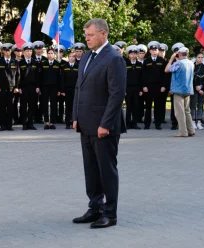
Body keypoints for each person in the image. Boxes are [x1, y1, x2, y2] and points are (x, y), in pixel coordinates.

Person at [72, 18, 126, 229]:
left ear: (103, 34)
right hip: (85, 124)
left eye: (91, 35)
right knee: (91, 169)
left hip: (104, 126)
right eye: (86, 35)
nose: (87, 38)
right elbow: (79, 88)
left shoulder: (114, 58)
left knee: (106, 170)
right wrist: (75, 116)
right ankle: (95, 208)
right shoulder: (86, 57)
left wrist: (105, 123)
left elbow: (116, 94)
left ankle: (109, 213)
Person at [165, 47, 195, 137]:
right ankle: (191, 130)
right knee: (187, 111)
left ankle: (183, 132)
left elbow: (167, 70)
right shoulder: (191, 63)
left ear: (180, 54)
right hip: (188, 89)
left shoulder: (178, 63)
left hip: (178, 90)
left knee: (179, 112)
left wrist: (171, 59)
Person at [142, 41, 168, 130]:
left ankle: (158, 123)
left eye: (155, 50)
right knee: (148, 106)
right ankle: (147, 124)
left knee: (158, 106)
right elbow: (143, 75)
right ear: (150, 51)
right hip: (148, 87)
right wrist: (144, 86)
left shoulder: (162, 61)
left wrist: (164, 86)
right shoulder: (146, 61)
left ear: (158, 51)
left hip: (159, 87)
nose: (154, 51)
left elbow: (165, 75)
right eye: (152, 50)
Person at [0, 43, 20, 131]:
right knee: (1, 107)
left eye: (9, 50)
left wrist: (16, 86)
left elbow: (18, 76)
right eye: (5, 50)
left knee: (10, 107)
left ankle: (9, 125)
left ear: (11, 51)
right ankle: (2, 125)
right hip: (1, 88)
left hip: (12, 88)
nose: (7, 52)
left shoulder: (15, 62)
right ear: (3, 51)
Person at [18, 42, 39, 130]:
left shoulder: (35, 62)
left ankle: (30, 123)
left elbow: (38, 76)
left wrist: (38, 86)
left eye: (30, 51)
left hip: (33, 87)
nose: (29, 53)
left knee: (32, 106)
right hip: (23, 88)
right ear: (23, 52)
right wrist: (18, 87)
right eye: (27, 51)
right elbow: (18, 76)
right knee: (23, 106)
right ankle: (24, 123)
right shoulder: (20, 62)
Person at [40, 48, 61, 130]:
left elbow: (60, 78)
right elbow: (40, 77)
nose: (50, 55)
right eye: (49, 53)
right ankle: (46, 122)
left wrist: (59, 89)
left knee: (54, 105)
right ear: (47, 54)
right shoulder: (43, 64)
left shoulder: (57, 64)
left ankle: (52, 122)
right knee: (44, 105)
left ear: (54, 54)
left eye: (52, 53)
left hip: (54, 88)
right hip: (45, 87)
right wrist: (40, 88)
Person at [125, 45, 143, 129]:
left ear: (137, 55)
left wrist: (141, 89)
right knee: (129, 106)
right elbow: (122, 77)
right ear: (129, 55)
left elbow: (142, 78)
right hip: (127, 88)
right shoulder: (125, 64)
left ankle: (134, 122)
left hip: (137, 88)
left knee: (136, 106)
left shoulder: (139, 64)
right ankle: (128, 123)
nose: (133, 55)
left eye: (135, 54)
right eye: (131, 54)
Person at [190, 52, 204, 130]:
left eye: (202, 57)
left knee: (200, 105)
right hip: (194, 89)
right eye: (199, 57)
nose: (200, 59)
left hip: (202, 89)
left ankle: (199, 121)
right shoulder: (192, 66)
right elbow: (191, 78)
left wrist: (201, 87)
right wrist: (196, 87)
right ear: (196, 58)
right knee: (193, 106)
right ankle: (193, 121)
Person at [61, 52, 79, 129]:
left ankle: (73, 122)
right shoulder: (64, 66)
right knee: (68, 106)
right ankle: (67, 123)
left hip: (75, 89)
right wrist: (62, 90)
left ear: (75, 58)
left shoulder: (78, 66)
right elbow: (62, 79)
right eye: (70, 56)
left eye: (73, 56)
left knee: (75, 107)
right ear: (68, 58)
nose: (71, 58)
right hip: (67, 89)